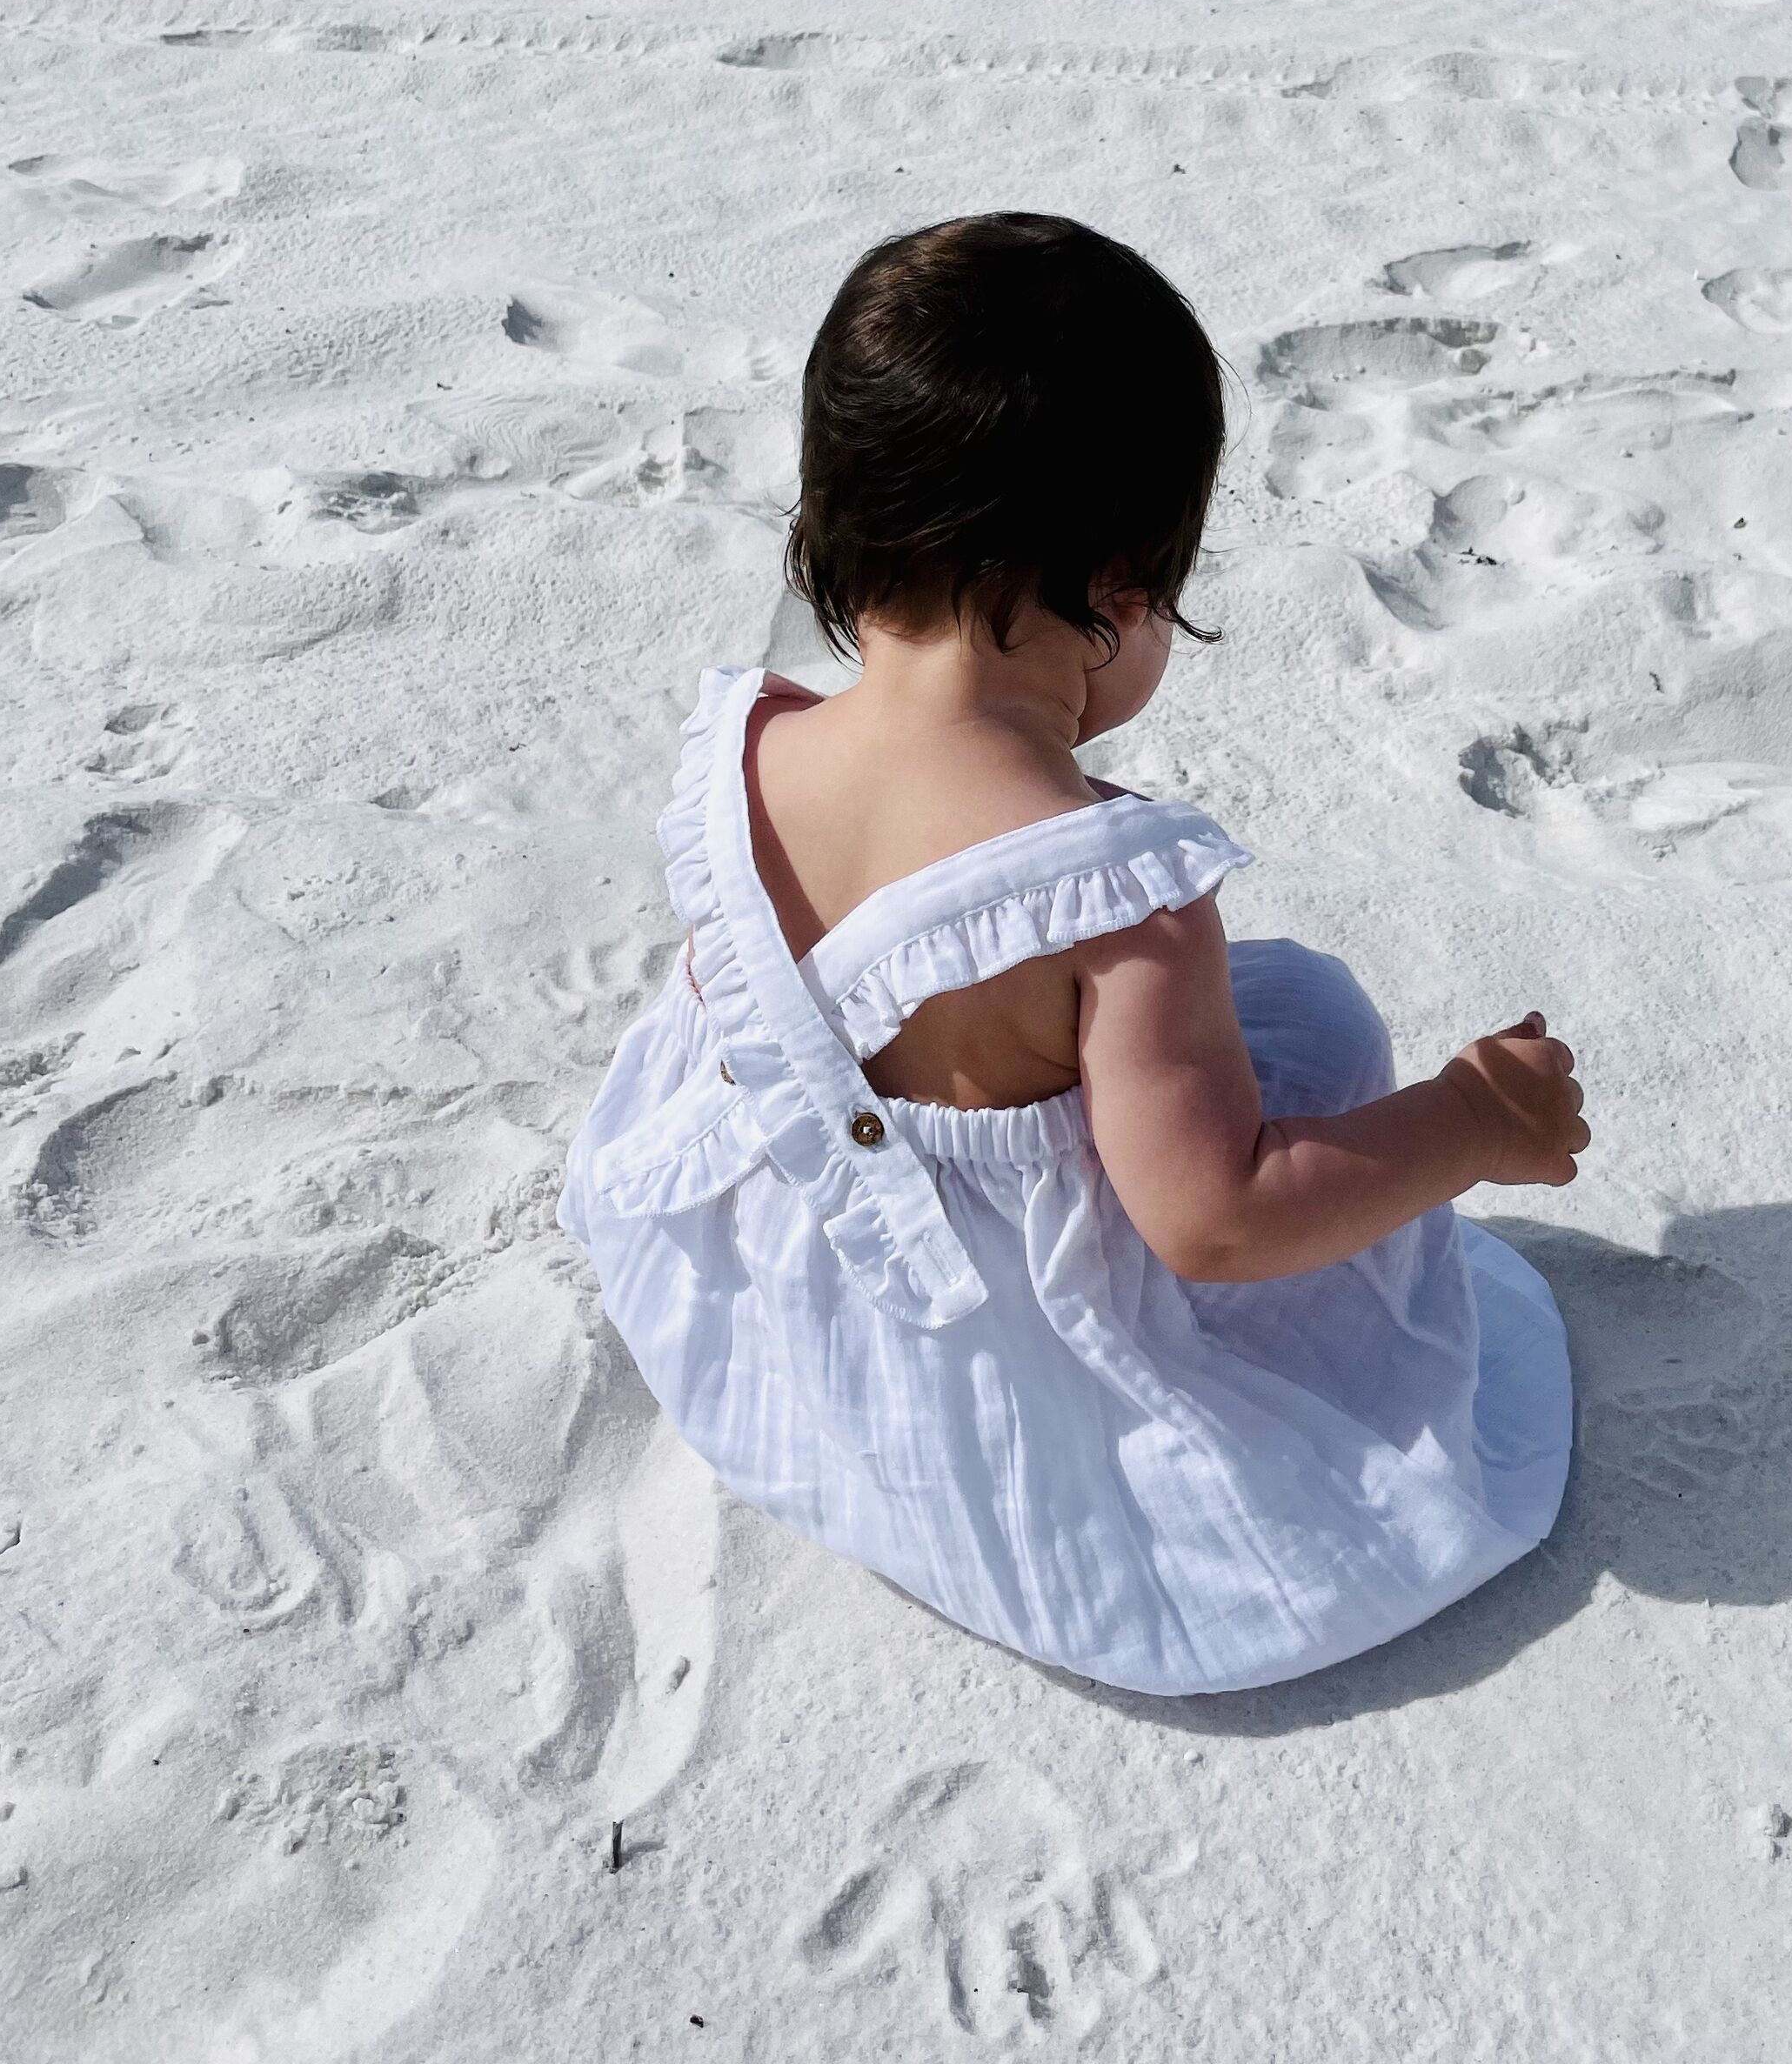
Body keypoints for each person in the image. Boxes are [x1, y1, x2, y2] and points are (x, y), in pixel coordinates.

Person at [559, 210, 1587, 1696]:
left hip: (799, 1277)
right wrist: (1470, 1124)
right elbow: (1215, 1221)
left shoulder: (751, 743)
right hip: (1015, 1356)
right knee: (1323, 1026)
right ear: (1118, 590)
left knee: (1263, 1014)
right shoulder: (1118, 896)